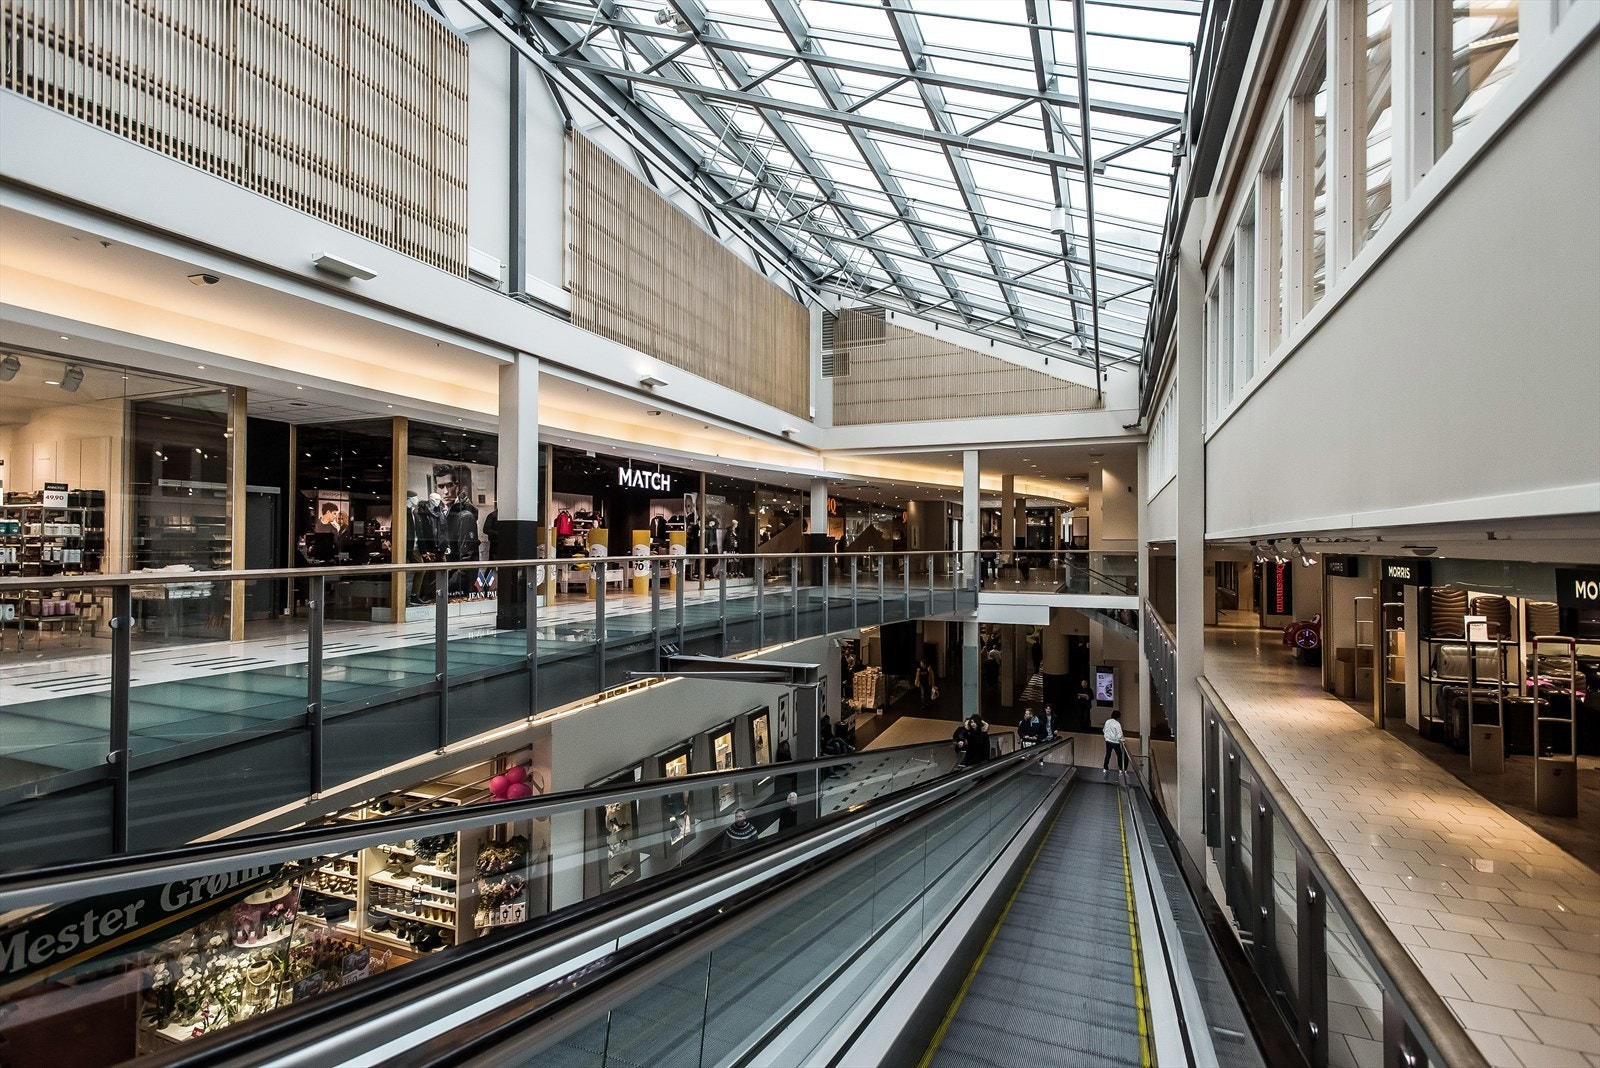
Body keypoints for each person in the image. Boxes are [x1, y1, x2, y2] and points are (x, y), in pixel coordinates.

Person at [1103, 710, 1129, 775]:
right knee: (1119, 755)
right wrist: (1123, 741)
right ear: (1118, 717)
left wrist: (1107, 737)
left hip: (1108, 741)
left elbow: (1104, 730)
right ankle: (1121, 769)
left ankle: (1105, 768)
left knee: (1108, 754)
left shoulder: (1107, 721)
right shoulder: (1117, 724)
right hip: (1115, 742)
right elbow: (1120, 734)